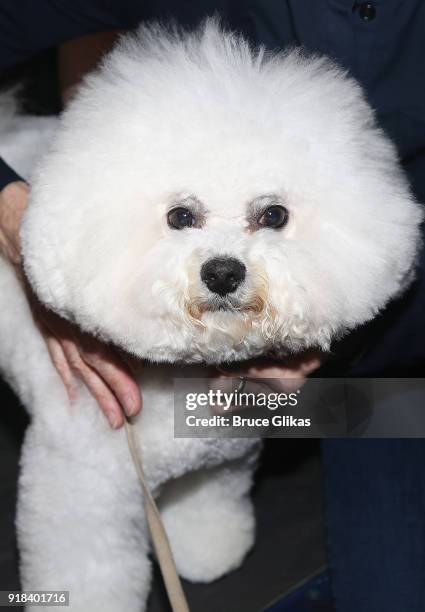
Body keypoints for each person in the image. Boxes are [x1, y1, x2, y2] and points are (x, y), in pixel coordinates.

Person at [1, 2, 424, 611]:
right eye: (183, 217)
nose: (225, 260)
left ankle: (201, 514)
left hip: (387, 375)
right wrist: (11, 210)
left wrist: (333, 348)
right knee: (87, 496)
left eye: (270, 217)